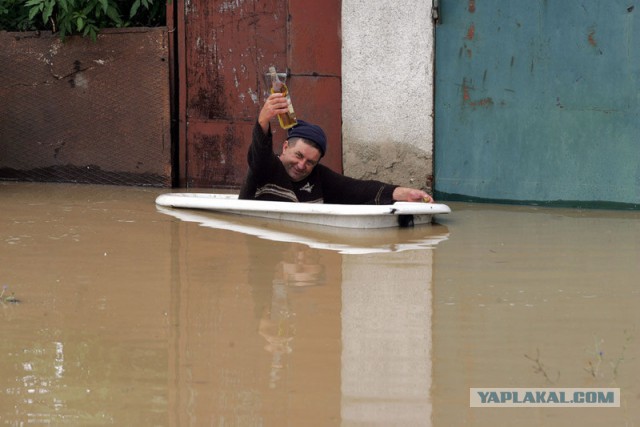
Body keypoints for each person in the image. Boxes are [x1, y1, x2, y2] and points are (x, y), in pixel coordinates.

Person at [239, 92, 434, 205]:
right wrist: (264, 120)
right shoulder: (265, 167)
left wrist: (403, 193)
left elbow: (358, 189)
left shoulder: (319, 177)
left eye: (310, 162)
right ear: (285, 147)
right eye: (298, 155)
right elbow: (259, 152)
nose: (301, 165)